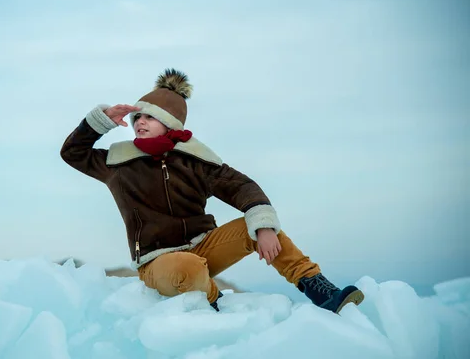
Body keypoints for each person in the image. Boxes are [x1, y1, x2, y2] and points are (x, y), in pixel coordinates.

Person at [60, 69, 364, 314]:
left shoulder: (198, 162)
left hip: (204, 246)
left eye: (149, 117)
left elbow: (242, 186)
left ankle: (319, 289)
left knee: (259, 226)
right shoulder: (117, 162)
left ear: (169, 124)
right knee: (188, 267)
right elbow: (72, 152)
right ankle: (213, 300)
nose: (139, 122)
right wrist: (100, 123)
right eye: (137, 117)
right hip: (157, 261)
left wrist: (264, 226)